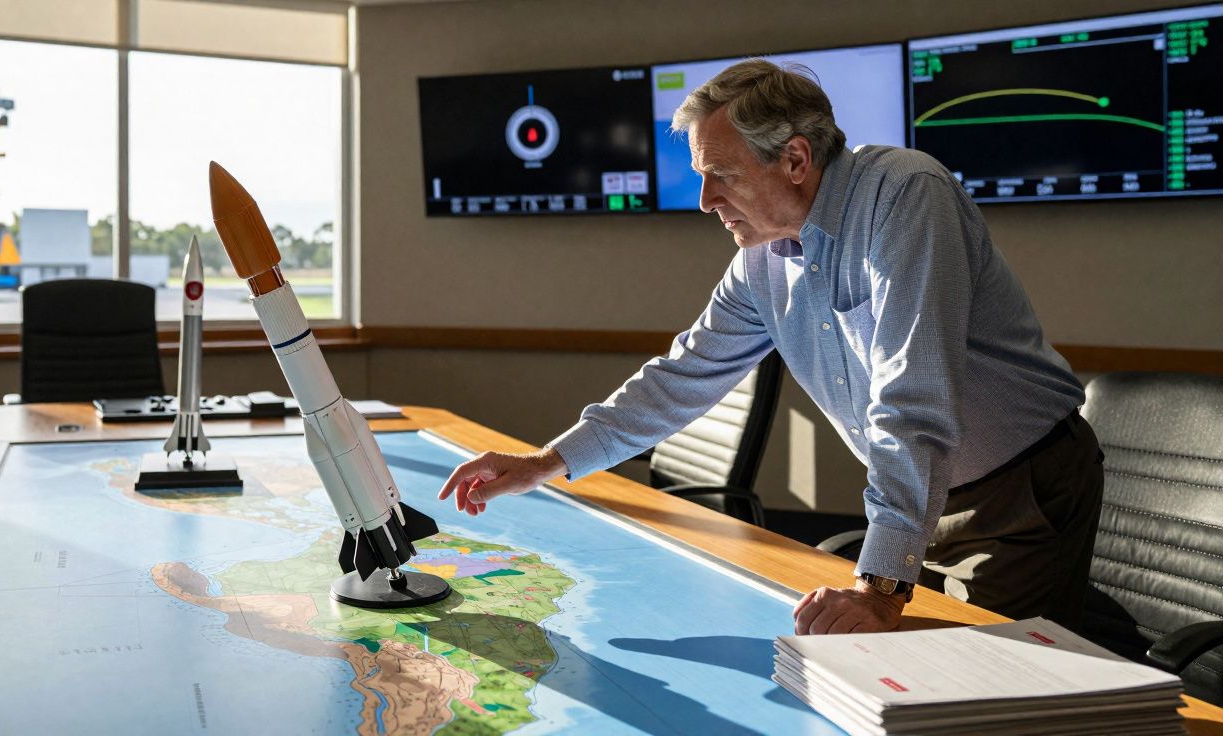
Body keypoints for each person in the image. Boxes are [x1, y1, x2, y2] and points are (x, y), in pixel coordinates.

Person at [438, 59, 1103, 635]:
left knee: (979, 700)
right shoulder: (761, 261)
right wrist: (544, 462)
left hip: (1018, 497)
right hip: (918, 498)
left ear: (794, 159)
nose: (705, 201)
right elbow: (679, 378)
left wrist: (878, 587)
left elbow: (914, 397)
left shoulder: (905, 195)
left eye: (720, 175)